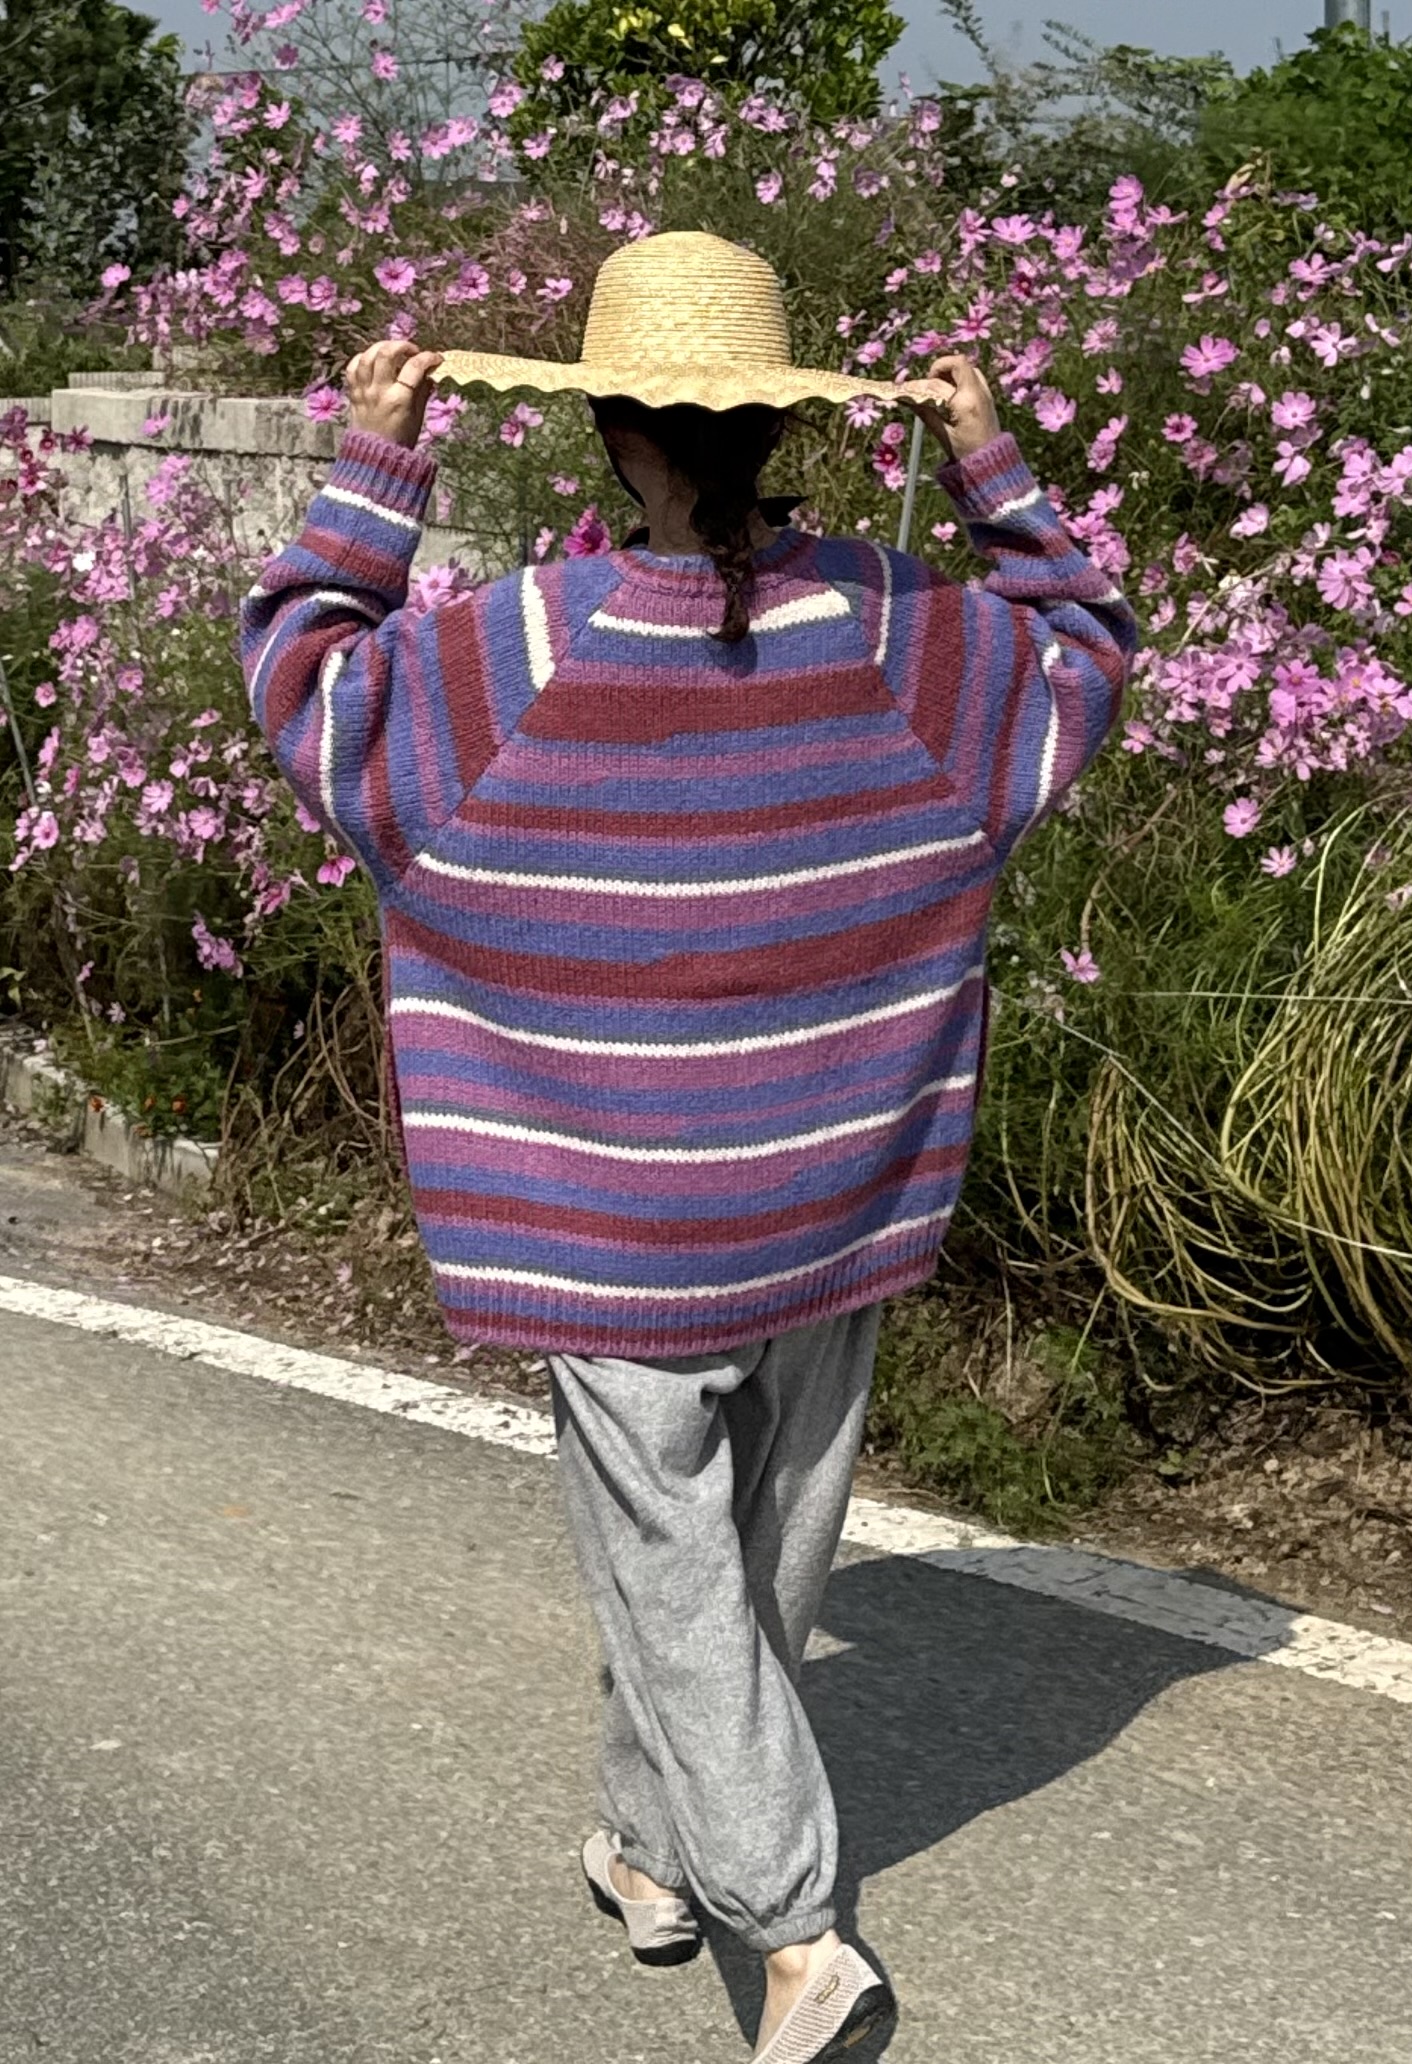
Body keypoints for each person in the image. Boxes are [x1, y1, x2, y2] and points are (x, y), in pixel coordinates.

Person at [243, 230, 1135, 2064]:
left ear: (614, 435)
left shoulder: (522, 650)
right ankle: (652, 1852)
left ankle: (795, 1934)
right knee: (763, 1559)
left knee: (671, 1569)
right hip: (834, 1184)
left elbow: (311, 693)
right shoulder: (898, 631)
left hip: (611, 1212)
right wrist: (992, 468)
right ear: (782, 421)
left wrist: (373, 475)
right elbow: (1082, 660)